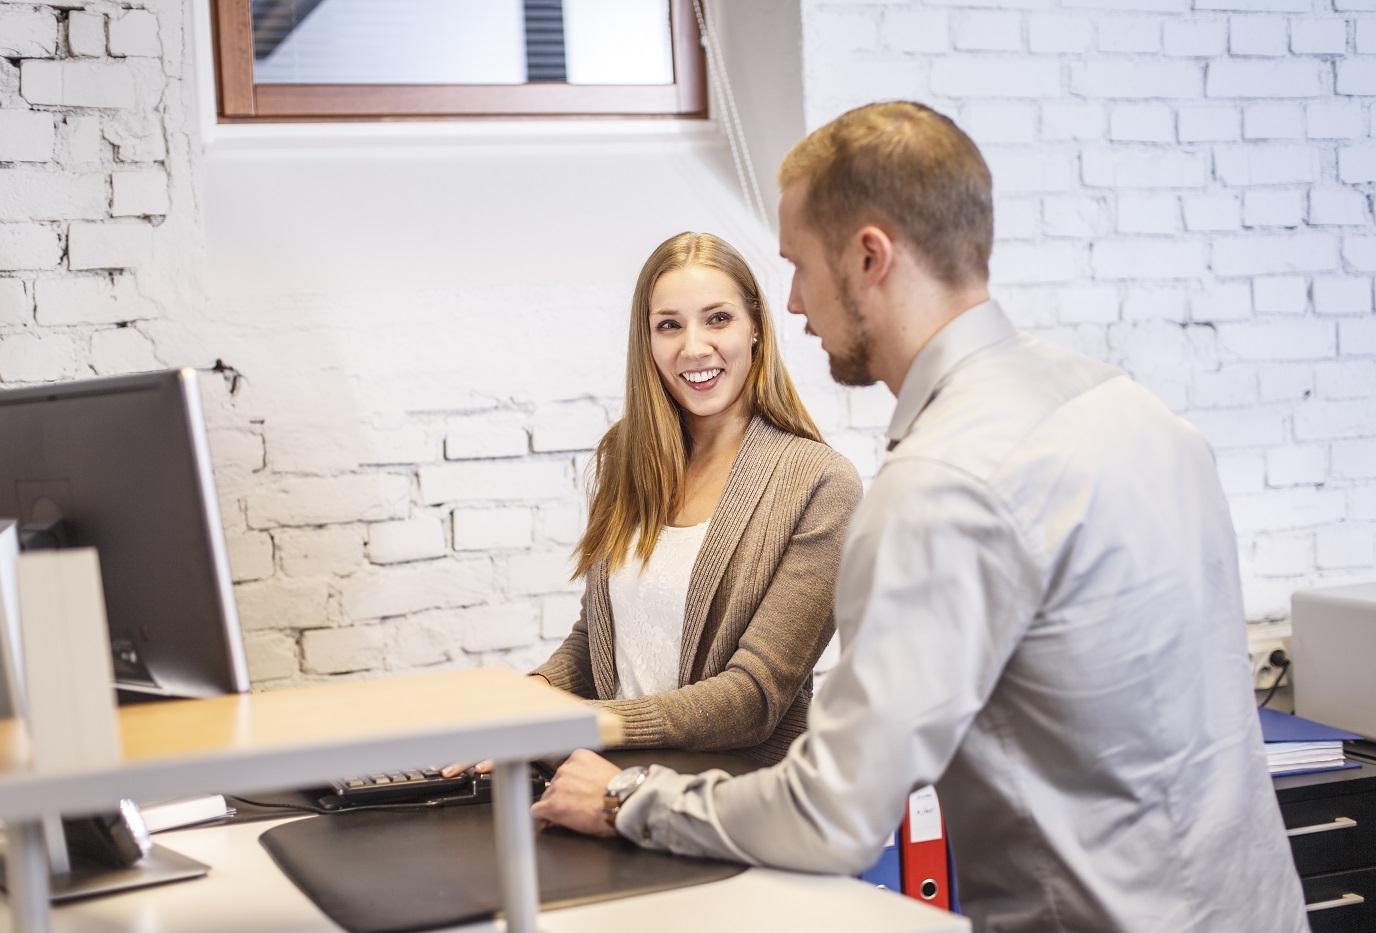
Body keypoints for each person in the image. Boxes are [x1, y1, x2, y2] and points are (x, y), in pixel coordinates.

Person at [532, 103, 1308, 932]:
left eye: (798, 267)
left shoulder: (937, 485)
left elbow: (833, 812)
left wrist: (626, 795)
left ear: (869, 257)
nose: (793, 303)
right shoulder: (1136, 411)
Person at [522, 231, 861, 766]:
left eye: (718, 318)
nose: (693, 347)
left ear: (755, 326)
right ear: (647, 339)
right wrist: (518, 706)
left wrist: (581, 726)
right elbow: (598, 643)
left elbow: (753, 699)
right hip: (605, 785)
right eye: (669, 325)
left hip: (730, 805)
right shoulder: (627, 455)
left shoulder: (820, 483)